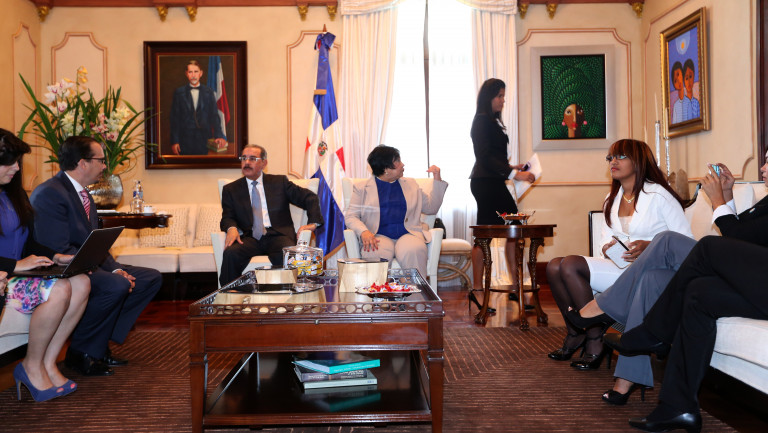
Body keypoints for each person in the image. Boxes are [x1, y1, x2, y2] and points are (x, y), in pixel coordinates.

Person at [571, 158, 768, 417]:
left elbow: (734, 240)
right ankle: (656, 393)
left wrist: (718, 200)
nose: (763, 168)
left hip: (752, 280)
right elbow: (746, 239)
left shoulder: (659, 194)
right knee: (657, 279)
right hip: (746, 278)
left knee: (673, 242)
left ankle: (611, 311)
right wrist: (728, 195)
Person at [546, 139, 692, 372]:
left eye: (620, 156)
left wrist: (649, 246)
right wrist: (606, 247)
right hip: (617, 265)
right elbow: (605, 237)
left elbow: (684, 241)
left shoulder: (660, 195)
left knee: (570, 264)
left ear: (639, 160)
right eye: (610, 157)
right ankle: (575, 333)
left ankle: (594, 337)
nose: (613, 161)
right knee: (554, 265)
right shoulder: (612, 198)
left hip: (646, 272)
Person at [30, 136, 162, 376]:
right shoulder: (50, 193)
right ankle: (81, 352)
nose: (104, 166)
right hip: (62, 269)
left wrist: (116, 269)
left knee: (148, 278)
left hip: (85, 264)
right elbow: (57, 249)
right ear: (83, 163)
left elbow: (95, 244)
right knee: (116, 285)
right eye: (101, 160)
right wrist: (110, 274)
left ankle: (98, 344)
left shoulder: (84, 194)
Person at [0, 129, 90, 402]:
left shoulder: (12, 194)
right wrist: (16, 264)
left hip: (16, 274)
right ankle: (30, 365)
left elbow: (28, 242)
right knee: (60, 289)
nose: (17, 168)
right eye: (9, 161)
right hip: (7, 276)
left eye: (18, 161)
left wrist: (56, 256)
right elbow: (18, 258)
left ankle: (48, 363)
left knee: (82, 281)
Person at [469, 78, 536, 309]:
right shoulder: (481, 121)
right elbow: (484, 157)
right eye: (499, 96)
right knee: (485, 235)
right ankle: (477, 290)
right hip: (485, 184)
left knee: (513, 230)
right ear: (488, 97)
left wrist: (512, 168)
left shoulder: (491, 122)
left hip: (493, 182)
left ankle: (516, 287)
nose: (502, 100)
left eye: (503, 96)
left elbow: (494, 157)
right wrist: (514, 174)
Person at [219, 144, 322, 285]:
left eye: (252, 158)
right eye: (243, 158)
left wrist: (313, 224)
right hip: (249, 237)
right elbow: (227, 216)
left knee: (288, 255)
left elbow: (309, 197)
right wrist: (231, 228)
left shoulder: (279, 182)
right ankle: (230, 295)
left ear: (264, 163)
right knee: (231, 253)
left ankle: (288, 294)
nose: (247, 162)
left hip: (278, 235)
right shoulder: (231, 189)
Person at [344, 145, 447, 280]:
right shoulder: (361, 188)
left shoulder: (411, 184)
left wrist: (437, 178)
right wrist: (364, 231)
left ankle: (416, 294)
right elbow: (351, 216)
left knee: (414, 250)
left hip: (409, 234)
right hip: (377, 236)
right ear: (386, 169)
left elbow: (431, 208)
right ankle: (376, 294)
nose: (402, 164)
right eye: (397, 161)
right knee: (374, 252)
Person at [169, 60, 227, 155]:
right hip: (184, 140)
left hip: (204, 140)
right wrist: (175, 141)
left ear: (201, 73)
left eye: (196, 71)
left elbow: (214, 116)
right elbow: (175, 119)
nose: (193, 75)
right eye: (190, 72)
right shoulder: (179, 93)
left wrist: (219, 135)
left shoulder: (209, 92)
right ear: (186, 74)